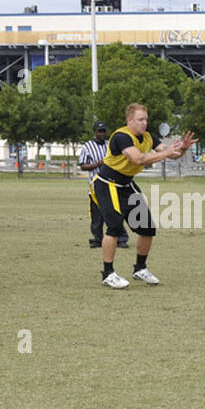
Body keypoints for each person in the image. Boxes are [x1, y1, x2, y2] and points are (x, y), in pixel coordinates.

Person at [93, 104, 194, 289]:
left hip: (126, 184)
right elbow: (138, 158)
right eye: (140, 119)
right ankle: (108, 273)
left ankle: (140, 268)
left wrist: (183, 149)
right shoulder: (121, 137)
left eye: (146, 119)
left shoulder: (148, 137)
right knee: (114, 228)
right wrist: (166, 152)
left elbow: (171, 153)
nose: (144, 123)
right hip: (108, 184)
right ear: (130, 120)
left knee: (147, 228)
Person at [79, 121, 128, 249]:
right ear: (94, 132)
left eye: (104, 131)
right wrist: (98, 164)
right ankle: (98, 238)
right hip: (95, 185)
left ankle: (121, 238)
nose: (102, 134)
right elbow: (83, 166)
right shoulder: (87, 147)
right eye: (99, 131)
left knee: (115, 211)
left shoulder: (109, 145)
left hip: (111, 184)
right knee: (97, 215)